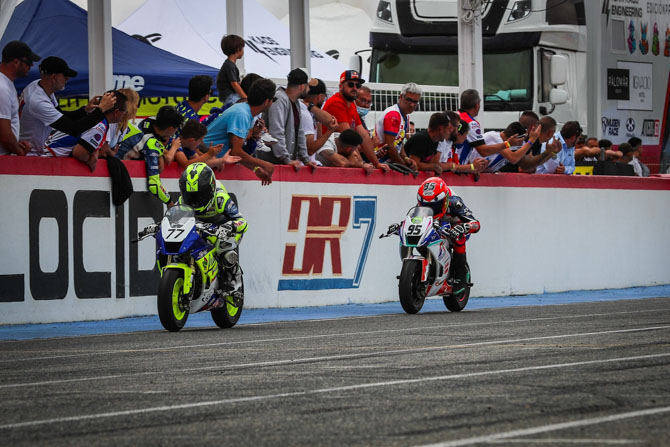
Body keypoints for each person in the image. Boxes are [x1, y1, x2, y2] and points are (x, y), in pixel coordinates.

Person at [178, 162, 247, 303]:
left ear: (210, 190)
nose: (195, 201)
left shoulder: (221, 199)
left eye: (200, 196)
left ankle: (234, 280)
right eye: (190, 196)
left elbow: (242, 221)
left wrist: (229, 227)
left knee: (224, 246)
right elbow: (175, 220)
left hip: (221, 227)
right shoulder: (181, 201)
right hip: (199, 227)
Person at [19, 56, 116, 156]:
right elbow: (73, 129)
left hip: (30, 150)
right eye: (65, 76)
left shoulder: (38, 86)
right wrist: (101, 110)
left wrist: (85, 110)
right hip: (28, 153)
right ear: (54, 77)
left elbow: (61, 114)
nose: (67, 79)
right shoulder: (39, 101)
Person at [204, 78, 277, 185]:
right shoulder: (242, 114)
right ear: (266, 101)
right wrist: (264, 164)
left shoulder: (244, 111)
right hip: (203, 158)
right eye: (273, 100)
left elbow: (236, 153)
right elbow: (235, 152)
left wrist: (255, 168)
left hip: (208, 159)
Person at [416, 177, 481, 294]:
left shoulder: (455, 202)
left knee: (458, 236)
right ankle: (429, 265)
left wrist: (465, 227)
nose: (431, 209)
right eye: (426, 205)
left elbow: (476, 224)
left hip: (454, 224)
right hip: (437, 224)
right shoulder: (422, 203)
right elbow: (415, 220)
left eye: (435, 205)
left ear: (445, 200)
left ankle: (460, 277)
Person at [322, 70, 390, 172]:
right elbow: (350, 139)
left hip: (338, 154)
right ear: (341, 86)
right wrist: (363, 164)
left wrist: (377, 164)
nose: (354, 88)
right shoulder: (336, 103)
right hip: (328, 155)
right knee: (352, 162)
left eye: (357, 85)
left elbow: (364, 136)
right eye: (350, 84)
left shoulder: (351, 105)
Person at [43, 90, 128, 171]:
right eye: (125, 112)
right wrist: (91, 160)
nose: (125, 115)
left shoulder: (93, 116)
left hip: (46, 154)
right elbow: (79, 152)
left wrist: (95, 153)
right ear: (116, 112)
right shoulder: (100, 125)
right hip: (47, 159)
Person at [258, 68, 317, 170]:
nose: (309, 90)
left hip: (280, 163)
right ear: (302, 86)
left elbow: (300, 133)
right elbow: (276, 132)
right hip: (270, 164)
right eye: (308, 86)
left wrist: (306, 160)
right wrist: (286, 158)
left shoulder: (295, 103)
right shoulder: (279, 100)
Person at [456, 89, 523, 164]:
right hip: (456, 166)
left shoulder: (456, 116)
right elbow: (483, 151)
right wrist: (508, 144)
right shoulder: (471, 123)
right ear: (477, 105)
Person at [0, 40, 40, 156]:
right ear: (16, 62)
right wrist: (20, 153)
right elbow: (4, 135)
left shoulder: (7, 84)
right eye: (28, 62)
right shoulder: (2, 88)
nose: (31, 66)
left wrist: (16, 144)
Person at [462, 121, 543, 173]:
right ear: (515, 138)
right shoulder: (494, 138)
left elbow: (525, 161)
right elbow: (513, 158)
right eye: (521, 141)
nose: (522, 144)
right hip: (464, 170)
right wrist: (531, 141)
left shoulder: (508, 144)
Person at [374, 82, 422, 170]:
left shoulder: (405, 115)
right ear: (401, 97)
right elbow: (389, 146)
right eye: (409, 100)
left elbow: (398, 143)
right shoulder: (393, 115)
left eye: (415, 102)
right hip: (380, 163)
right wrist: (404, 166)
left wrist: (406, 159)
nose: (412, 105)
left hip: (388, 163)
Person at [164, 119, 238, 170]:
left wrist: (221, 160)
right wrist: (209, 154)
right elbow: (186, 165)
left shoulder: (188, 147)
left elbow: (201, 163)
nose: (200, 144)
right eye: (200, 141)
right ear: (192, 140)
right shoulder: (176, 143)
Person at [300, 78, 338, 162]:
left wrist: (312, 108)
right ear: (320, 96)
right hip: (303, 164)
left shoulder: (312, 112)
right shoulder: (305, 113)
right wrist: (330, 131)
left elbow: (328, 121)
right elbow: (311, 149)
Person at [217, 34, 246, 107]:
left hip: (231, 96)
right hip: (230, 96)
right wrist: (245, 98)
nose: (243, 51)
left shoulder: (230, 64)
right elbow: (234, 84)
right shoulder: (229, 65)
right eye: (242, 48)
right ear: (238, 49)